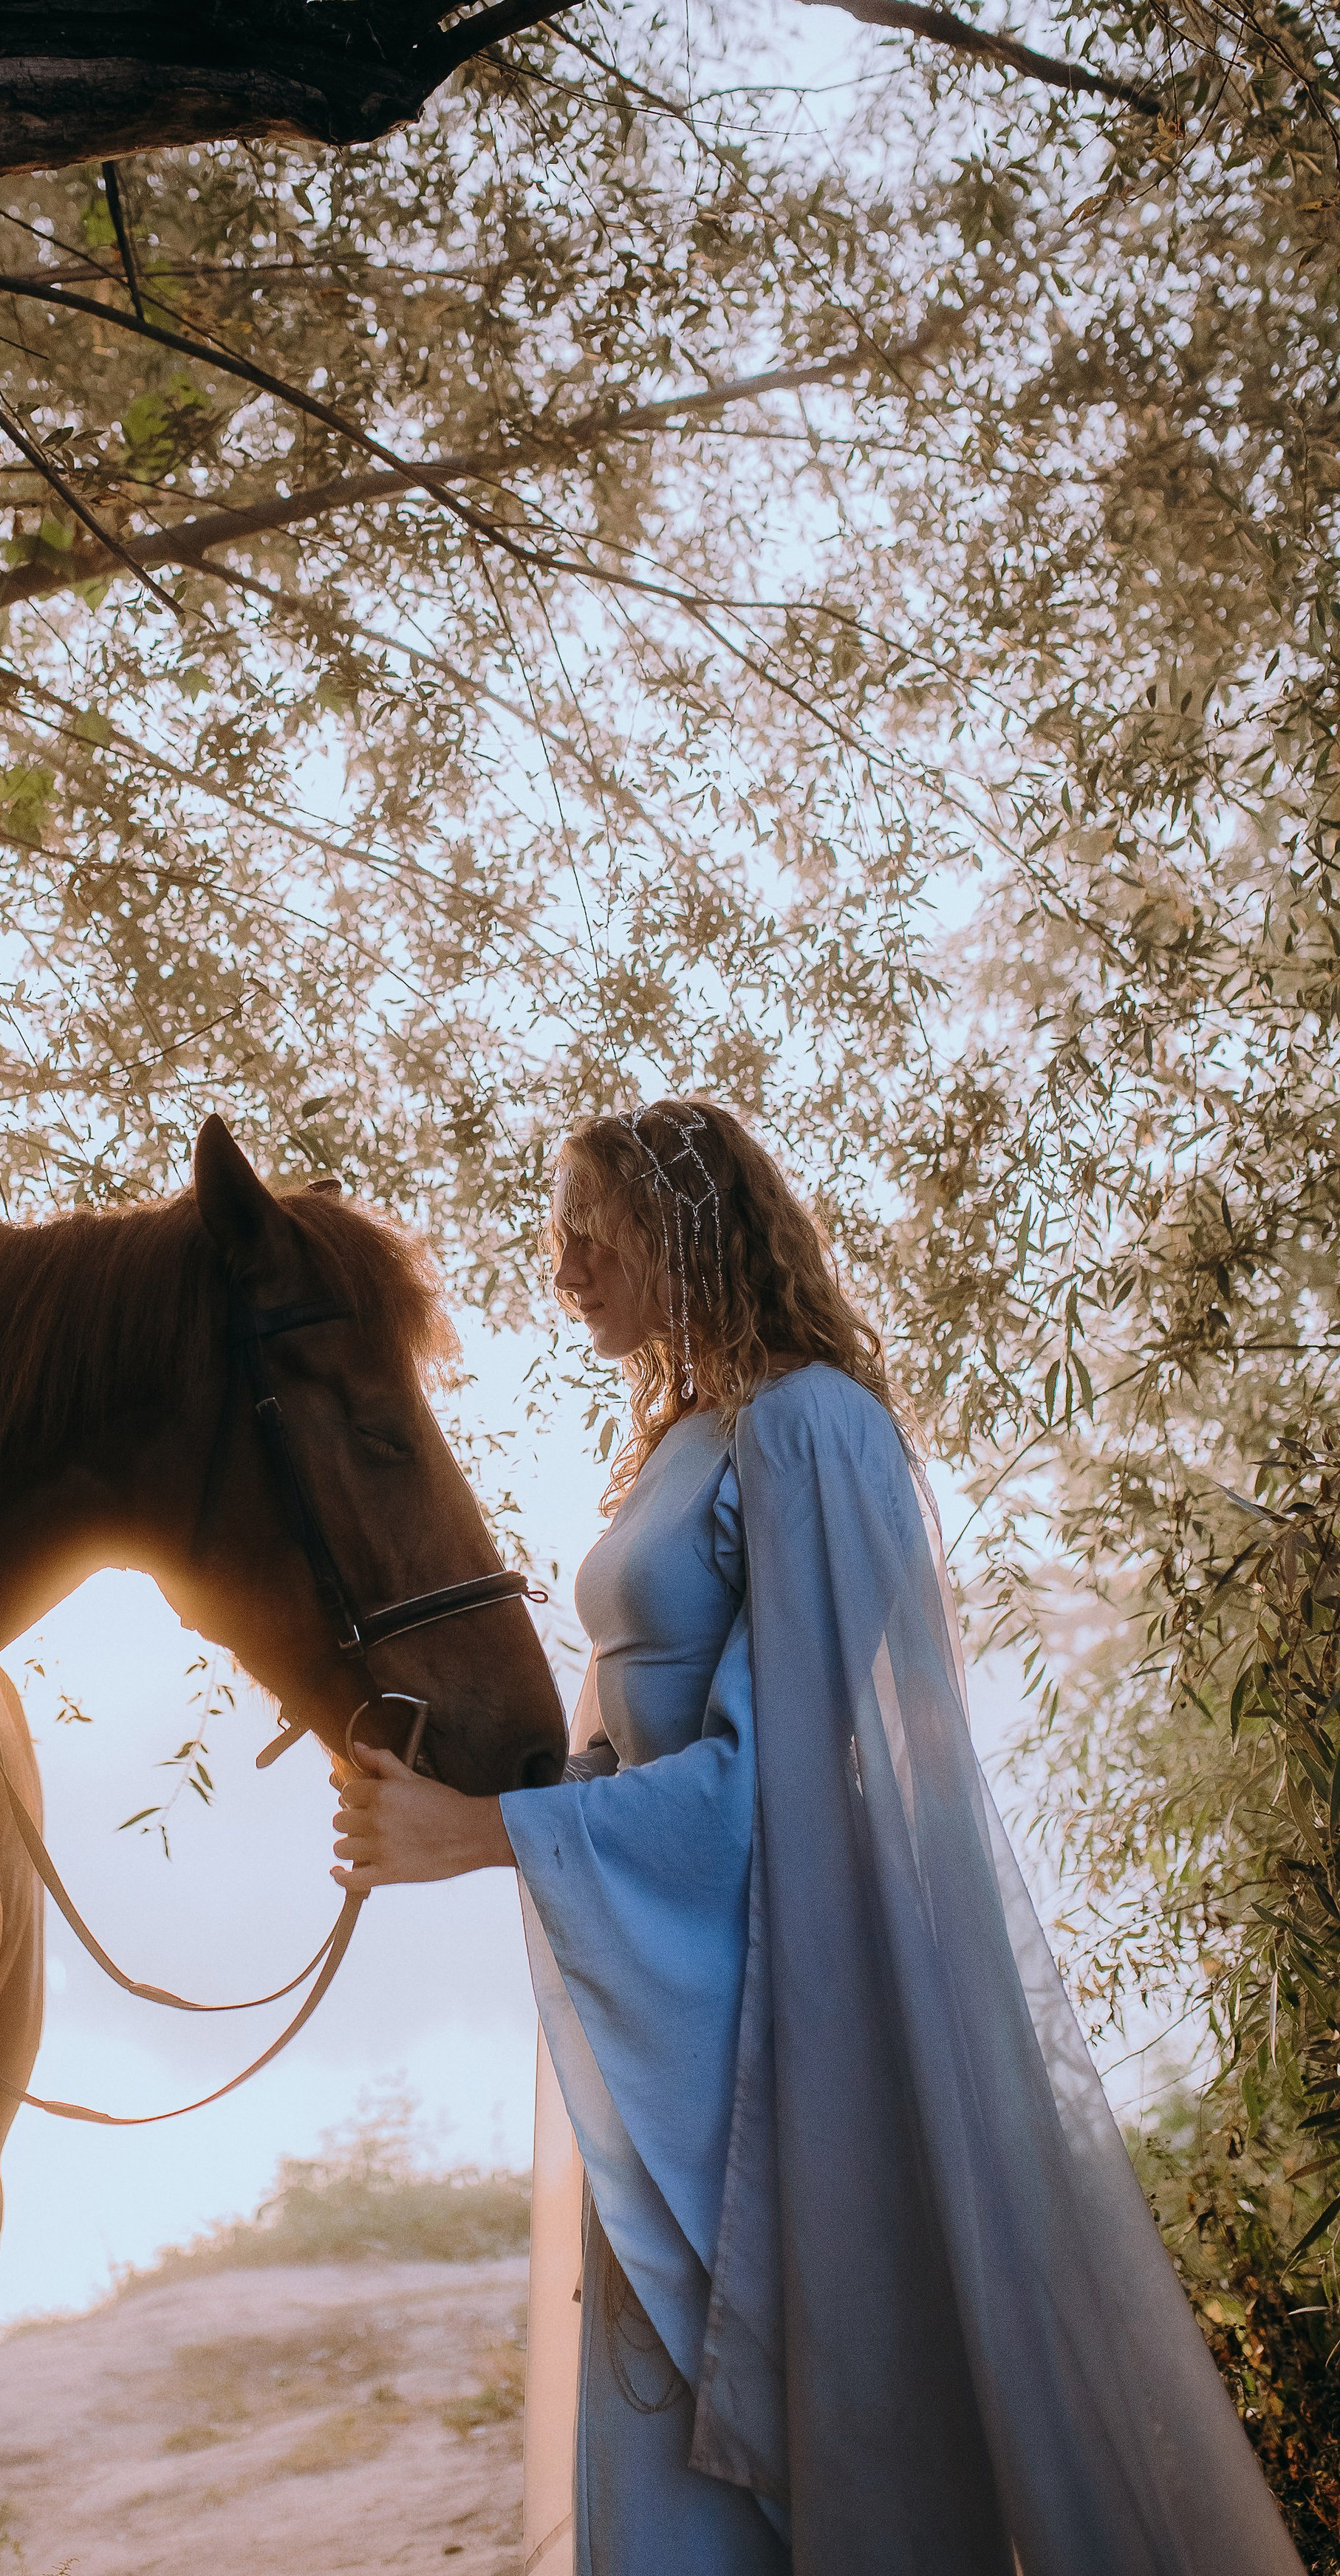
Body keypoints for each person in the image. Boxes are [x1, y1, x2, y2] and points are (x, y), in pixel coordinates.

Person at [331, 1098, 1303, 2576]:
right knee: (655, 2373)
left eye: (594, 1233)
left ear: (691, 1235)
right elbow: (638, 1744)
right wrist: (494, 1798)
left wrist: (479, 1836)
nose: (563, 1266)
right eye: (556, 1236)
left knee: (792, 2364)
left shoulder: (807, 1431)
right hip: (662, 1988)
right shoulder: (681, 1444)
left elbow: (774, 1781)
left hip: (769, 1996)